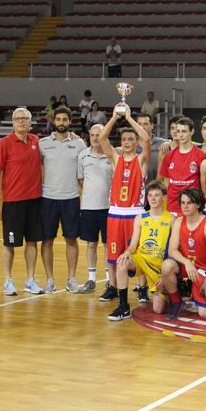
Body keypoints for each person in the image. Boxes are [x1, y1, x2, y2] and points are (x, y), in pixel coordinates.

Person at [96, 104, 151, 304]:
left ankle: (143, 288)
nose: (127, 142)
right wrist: (113, 118)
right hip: (115, 213)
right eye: (124, 139)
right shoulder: (116, 159)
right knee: (113, 253)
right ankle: (113, 286)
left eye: (131, 139)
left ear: (136, 142)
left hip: (135, 213)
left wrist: (128, 118)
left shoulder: (141, 160)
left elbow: (146, 139)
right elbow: (102, 138)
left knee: (138, 252)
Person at [0, 107, 44, 296]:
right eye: (17, 118)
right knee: (9, 242)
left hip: (35, 200)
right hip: (13, 202)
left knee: (32, 242)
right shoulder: (4, 144)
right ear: (13, 122)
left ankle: (30, 280)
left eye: (24, 118)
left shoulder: (37, 142)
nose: (21, 121)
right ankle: (8, 281)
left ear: (30, 122)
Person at [108, 181, 173, 321]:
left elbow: (173, 250)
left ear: (164, 197)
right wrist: (126, 253)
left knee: (158, 309)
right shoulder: (140, 218)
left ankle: (171, 292)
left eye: (157, 195)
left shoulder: (172, 219)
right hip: (142, 260)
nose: (153, 198)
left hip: (158, 267)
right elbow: (133, 245)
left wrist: (165, 276)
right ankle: (123, 306)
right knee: (122, 262)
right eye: (150, 195)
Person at [39, 106, 87, 294]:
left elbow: (85, 170)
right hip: (48, 199)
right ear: (53, 121)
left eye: (64, 119)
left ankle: (72, 279)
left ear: (70, 121)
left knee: (71, 240)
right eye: (58, 119)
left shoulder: (79, 143)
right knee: (47, 241)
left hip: (71, 198)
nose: (61, 122)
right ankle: (49, 280)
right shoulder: (43, 144)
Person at [161, 188, 206, 319]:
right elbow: (172, 250)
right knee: (167, 266)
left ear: (198, 204)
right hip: (187, 266)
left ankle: (198, 291)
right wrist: (187, 262)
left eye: (189, 203)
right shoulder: (178, 222)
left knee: (205, 314)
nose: (185, 206)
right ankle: (176, 301)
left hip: (203, 269)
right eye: (183, 203)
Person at [77, 123, 113, 293]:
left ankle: (109, 279)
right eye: (92, 135)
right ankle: (91, 279)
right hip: (88, 208)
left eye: (99, 134)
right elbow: (80, 180)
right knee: (91, 244)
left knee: (108, 245)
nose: (95, 138)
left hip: (109, 208)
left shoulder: (112, 154)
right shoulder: (83, 155)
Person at [158, 116, 206, 216]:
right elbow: (166, 182)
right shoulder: (169, 155)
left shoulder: (201, 155)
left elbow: (204, 184)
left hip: (192, 206)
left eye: (184, 131)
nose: (180, 135)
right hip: (173, 206)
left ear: (192, 132)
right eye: (178, 131)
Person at [135, 112, 167, 183]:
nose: (142, 127)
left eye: (145, 124)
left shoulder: (162, 143)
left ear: (152, 126)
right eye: (139, 124)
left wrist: (169, 143)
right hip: (136, 185)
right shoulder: (131, 145)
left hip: (157, 186)